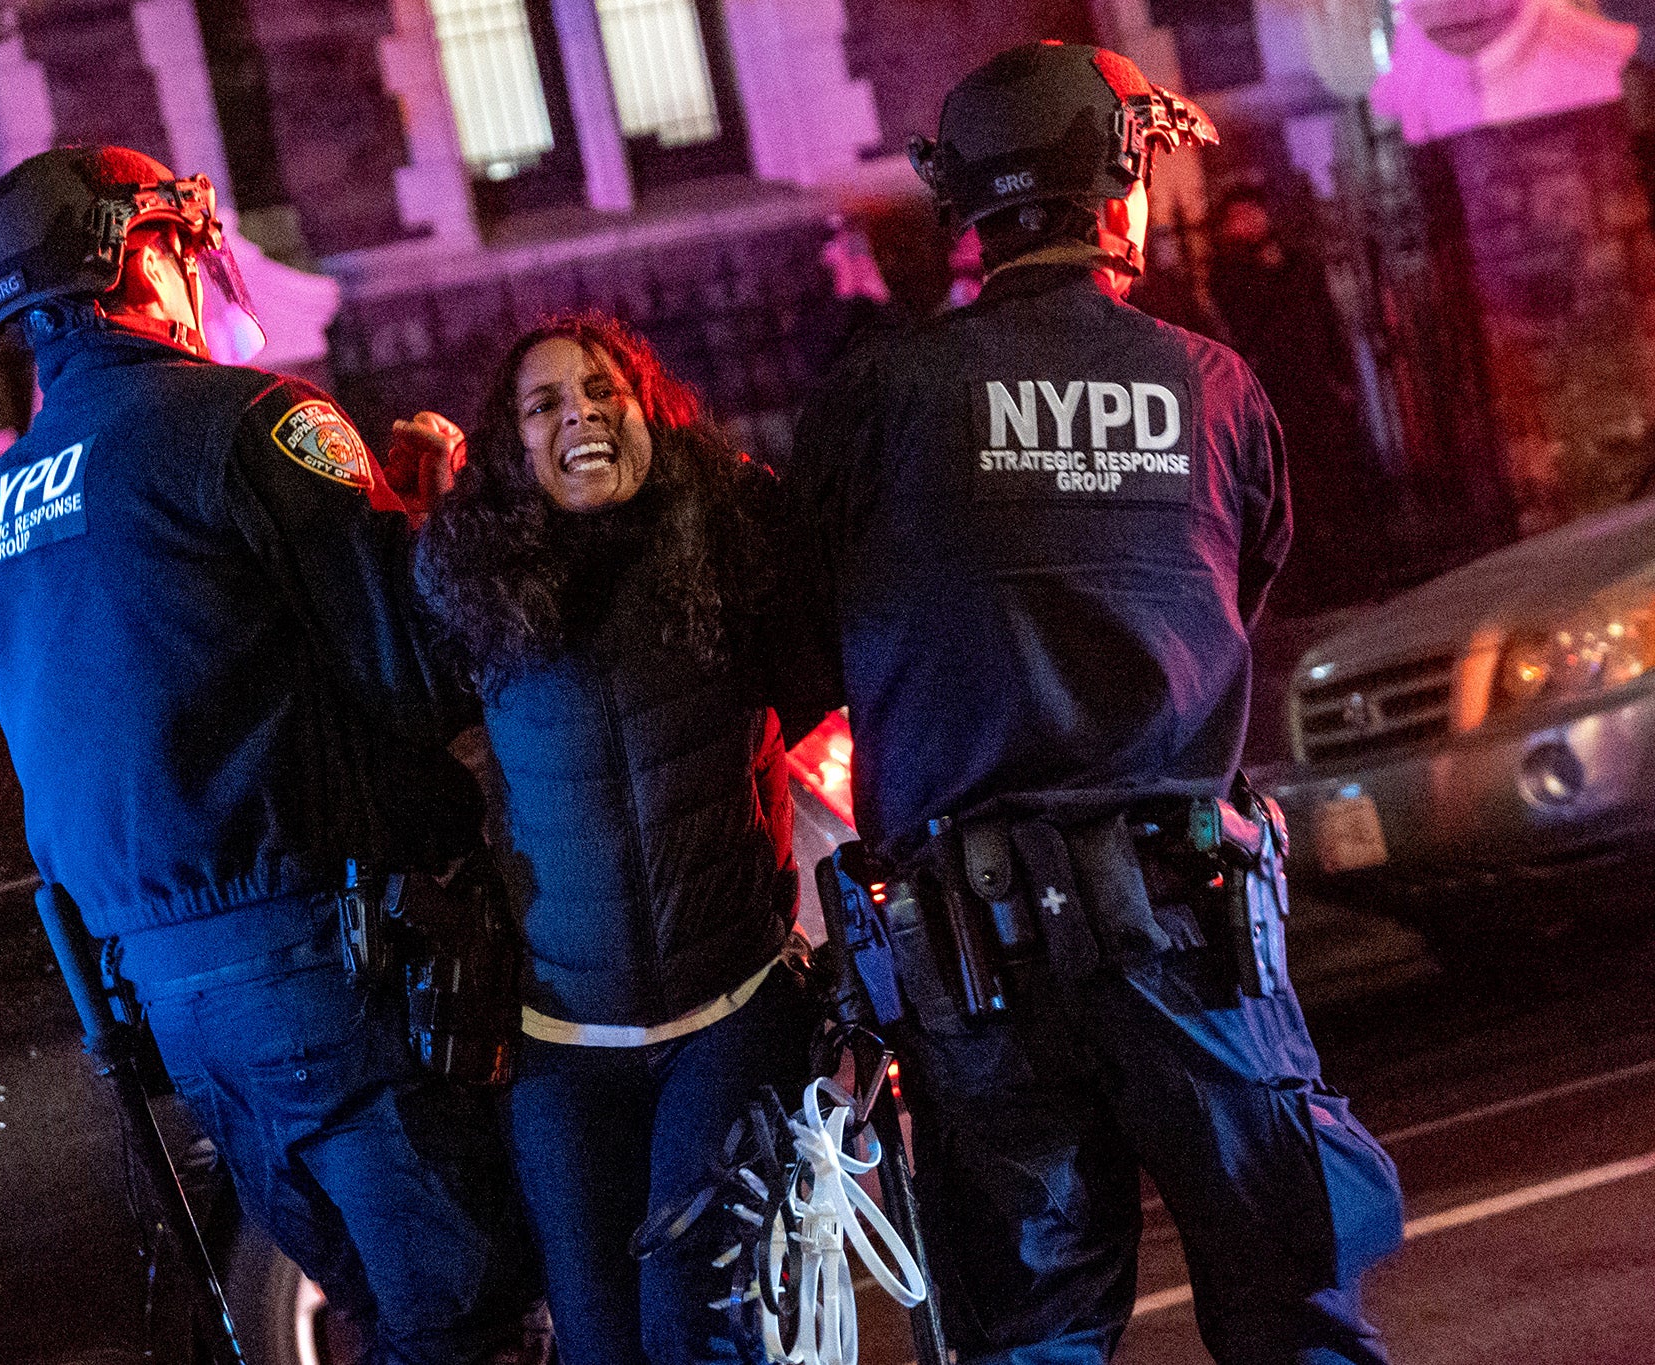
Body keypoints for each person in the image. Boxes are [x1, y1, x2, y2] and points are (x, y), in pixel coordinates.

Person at [781, 43, 1404, 1365]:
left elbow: (806, 635)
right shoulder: (1215, 385)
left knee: (1030, 1339)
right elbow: (1254, 578)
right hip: (1192, 945)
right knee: (1293, 1305)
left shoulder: (880, 397)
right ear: (1118, 179)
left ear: (968, 202)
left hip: (972, 969)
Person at [0, 145, 537, 1364]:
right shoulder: (248, 422)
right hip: (334, 971)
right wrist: (430, 514)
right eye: (181, 247)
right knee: (476, 1323)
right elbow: (420, 674)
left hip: (178, 1007)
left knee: (387, 1326)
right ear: (136, 256)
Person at [415, 315, 820, 1365]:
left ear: (648, 410)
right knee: (599, 1347)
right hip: (562, 1053)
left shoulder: (729, 544)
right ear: (510, 445)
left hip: (727, 1019)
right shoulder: (470, 587)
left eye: (603, 391)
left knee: (690, 1327)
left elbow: (832, 675)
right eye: (543, 404)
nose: (580, 415)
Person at [1207, 185, 1384, 612]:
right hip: (1277, 395)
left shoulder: (1299, 261)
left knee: (1339, 483)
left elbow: (1327, 320)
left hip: (1317, 389)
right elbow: (1245, 323)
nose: (1250, 223)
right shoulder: (1229, 274)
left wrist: (1343, 378)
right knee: (1294, 490)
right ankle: (1311, 586)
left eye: (1254, 213)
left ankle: (1357, 571)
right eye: (1239, 218)